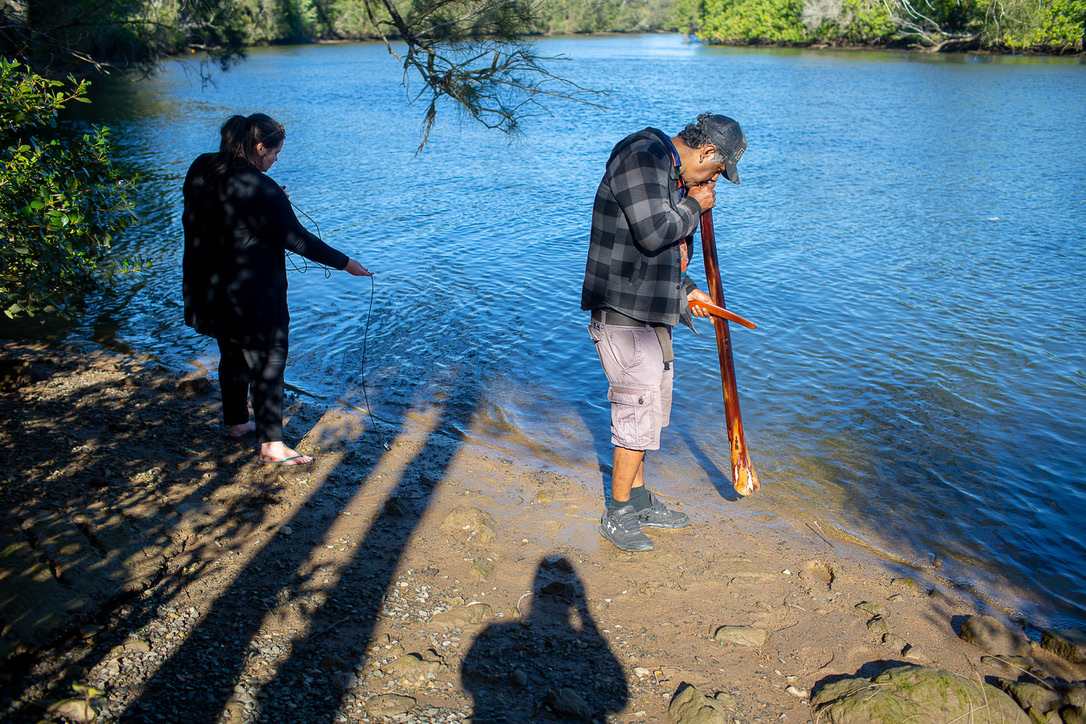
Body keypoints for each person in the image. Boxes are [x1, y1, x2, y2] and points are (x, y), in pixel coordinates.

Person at [581, 112, 746, 551]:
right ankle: (617, 514)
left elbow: (664, 255)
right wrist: (697, 205)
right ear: (708, 152)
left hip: (652, 312)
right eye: (715, 170)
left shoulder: (668, 172)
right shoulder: (641, 155)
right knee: (636, 413)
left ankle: (636, 499)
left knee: (652, 411)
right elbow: (655, 233)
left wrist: (691, 292)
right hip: (623, 313)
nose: (710, 181)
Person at [182, 113, 372, 465]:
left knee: (232, 353)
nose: (275, 160)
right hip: (252, 293)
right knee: (270, 356)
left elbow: (219, 211)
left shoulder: (203, 167)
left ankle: (238, 423)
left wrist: (271, 203)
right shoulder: (262, 188)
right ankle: (271, 445)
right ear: (259, 148)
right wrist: (347, 264)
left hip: (209, 286)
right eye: (275, 153)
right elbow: (298, 240)